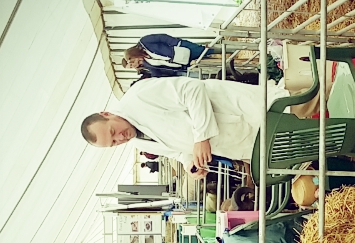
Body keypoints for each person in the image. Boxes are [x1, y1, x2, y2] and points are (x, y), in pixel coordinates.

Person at [80, 75, 289, 179]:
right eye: (114, 143)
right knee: (295, 144)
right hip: (240, 142)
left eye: (113, 132)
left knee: (298, 115)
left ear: (106, 114)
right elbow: (176, 150)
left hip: (245, 112)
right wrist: (188, 162)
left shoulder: (139, 96)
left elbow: (191, 88)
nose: (120, 138)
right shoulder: (138, 142)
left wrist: (202, 137)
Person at [122, 34, 212, 76]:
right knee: (206, 63)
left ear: (134, 54)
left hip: (181, 49)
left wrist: (176, 43)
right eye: (132, 66)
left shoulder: (144, 42)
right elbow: (157, 71)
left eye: (132, 63)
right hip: (182, 62)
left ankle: (218, 50)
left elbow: (161, 38)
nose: (134, 65)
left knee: (206, 51)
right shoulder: (146, 63)